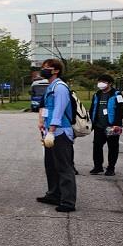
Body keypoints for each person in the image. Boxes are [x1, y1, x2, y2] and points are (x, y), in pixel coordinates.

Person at [35, 58, 77, 213]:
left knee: (64, 167)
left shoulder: (60, 88)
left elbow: (59, 111)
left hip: (60, 133)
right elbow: (47, 107)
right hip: (49, 132)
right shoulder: (50, 87)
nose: (43, 69)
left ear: (56, 70)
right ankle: (54, 194)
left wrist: (51, 131)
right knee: (51, 165)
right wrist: (42, 123)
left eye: (46, 67)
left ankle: (68, 201)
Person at [89, 74, 123, 177]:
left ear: (110, 83)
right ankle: (98, 166)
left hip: (112, 126)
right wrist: (92, 122)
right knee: (97, 146)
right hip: (99, 126)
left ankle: (111, 168)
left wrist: (117, 124)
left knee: (113, 147)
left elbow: (121, 110)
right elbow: (92, 109)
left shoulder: (117, 94)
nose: (101, 83)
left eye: (104, 82)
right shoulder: (97, 95)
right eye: (100, 81)